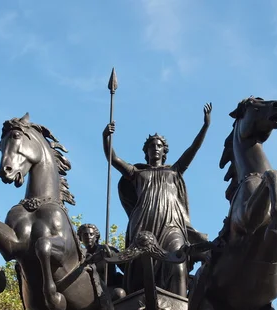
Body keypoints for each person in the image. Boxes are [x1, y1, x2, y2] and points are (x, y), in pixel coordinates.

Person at [102, 103, 212, 297]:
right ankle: (137, 309)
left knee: (178, 263)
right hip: (143, 224)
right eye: (151, 146)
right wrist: (106, 138)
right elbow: (113, 158)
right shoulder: (136, 173)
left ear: (164, 151)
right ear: (146, 151)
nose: (155, 148)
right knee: (138, 271)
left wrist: (205, 126)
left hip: (172, 224)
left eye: (159, 145)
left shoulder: (175, 170)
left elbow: (193, 149)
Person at [77, 223, 124, 298]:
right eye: (85, 235)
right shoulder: (80, 257)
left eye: (91, 234)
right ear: (80, 238)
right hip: (92, 292)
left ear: (96, 237)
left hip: (111, 287)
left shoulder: (107, 250)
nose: (88, 237)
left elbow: (125, 266)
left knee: (119, 293)